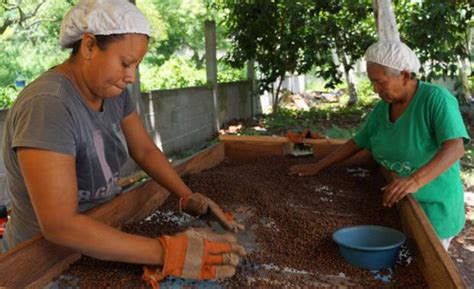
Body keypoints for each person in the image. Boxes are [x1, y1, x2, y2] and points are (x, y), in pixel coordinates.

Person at [1, 0, 245, 284]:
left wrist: (185, 195)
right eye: (125, 63)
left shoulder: (112, 93)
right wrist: (167, 251)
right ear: (89, 45)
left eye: (136, 65)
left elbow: (144, 149)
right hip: (42, 261)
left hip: (103, 236)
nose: (131, 76)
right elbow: (59, 225)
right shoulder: (48, 105)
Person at [289, 41, 469, 251]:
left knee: (422, 264)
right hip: (397, 204)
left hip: (434, 209)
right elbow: (358, 141)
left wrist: (413, 181)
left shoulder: (436, 99)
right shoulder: (383, 108)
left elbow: (455, 148)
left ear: (404, 75)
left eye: (380, 82)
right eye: (372, 82)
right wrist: (319, 165)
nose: (375, 89)